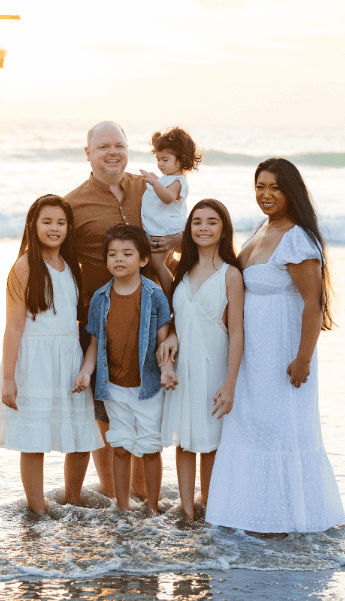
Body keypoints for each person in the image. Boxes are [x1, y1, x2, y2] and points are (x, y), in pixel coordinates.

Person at [205, 158, 345, 534]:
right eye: (260, 186)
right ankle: (249, 518)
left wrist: (303, 359)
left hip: (283, 356)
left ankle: (286, 521)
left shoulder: (297, 238)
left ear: (290, 192)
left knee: (278, 432)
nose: (265, 195)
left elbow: (312, 304)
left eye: (275, 188)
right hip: (252, 356)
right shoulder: (261, 230)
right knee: (249, 428)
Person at [65, 122, 182, 499]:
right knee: (107, 412)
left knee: (153, 401)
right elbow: (55, 259)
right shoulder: (73, 203)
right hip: (103, 321)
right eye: (102, 147)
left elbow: (190, 230)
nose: (112, 152)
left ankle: (146, 496)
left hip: (158, 314)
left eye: (119, 145)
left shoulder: (151, 187)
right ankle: (116, 497)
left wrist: (177, 242)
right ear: (88, 154)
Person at [0, 195, 103, 514]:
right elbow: (13, 328)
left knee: (82, 434)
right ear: (33, 225)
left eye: (61, 222)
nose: (54, 228)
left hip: (68, 357)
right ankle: (37, 509)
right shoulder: (24, 266)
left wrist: (84, 364)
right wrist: (9, 378)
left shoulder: (70, 265)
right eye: (47, 221)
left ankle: (73, 500)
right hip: (34, 360)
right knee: (34, 439)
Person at [74, 225, 176, 514]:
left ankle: (153, 507)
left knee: (150, 448)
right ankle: (123, 508)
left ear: (143, 259)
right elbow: (94, 342)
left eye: (127, 254)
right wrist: (85, 372)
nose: (119, 259)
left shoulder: (154, 295)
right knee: (119, 447)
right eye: (112, 254)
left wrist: (167, 369)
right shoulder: (99, 298)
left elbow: (162, 341)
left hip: (148, 387)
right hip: (114, 386)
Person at [161, 199, 244, 521]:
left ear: (223, 228)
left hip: (214, 366)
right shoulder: (180, 268)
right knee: (184, 441)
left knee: (209, 444)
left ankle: (208, 505)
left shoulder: (230, 274)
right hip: (184, 367)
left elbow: (236, 333)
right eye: (197, 221)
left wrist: (230, 384)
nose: (203, 228)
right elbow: (179, 318)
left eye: (211, 222)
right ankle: (186, 509)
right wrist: (171, 336)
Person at [139, 127, 202, 292]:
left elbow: (167, 197)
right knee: (164, 263)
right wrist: (156, 180)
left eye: (165, 160)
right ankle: (186, 281)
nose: (160, 164)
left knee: (158, 264)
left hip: (167, 230)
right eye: (158, 159)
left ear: (181, 160)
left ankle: (170, 299)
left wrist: (155, 183)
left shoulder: (178, 181)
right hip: (160, 228)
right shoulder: (167, 179)